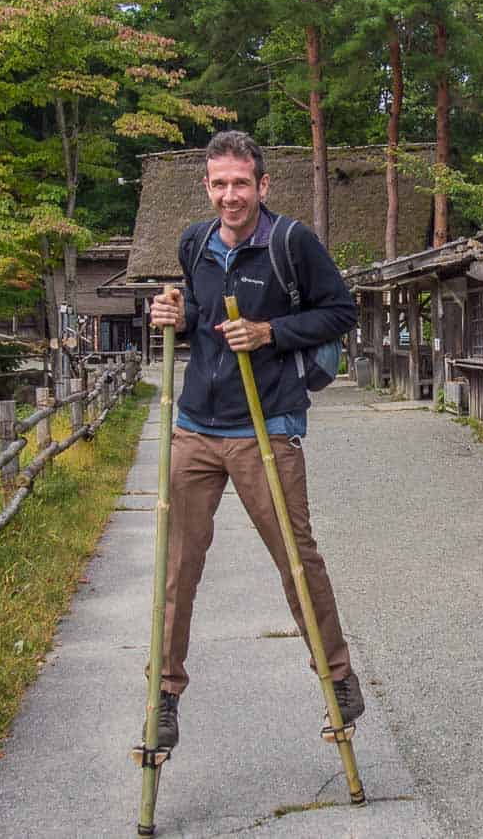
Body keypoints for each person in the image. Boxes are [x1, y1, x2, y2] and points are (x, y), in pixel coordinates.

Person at [147, 130, 361, 749]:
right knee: (177, 566)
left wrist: (271, 332)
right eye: (220, 184)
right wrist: (176, 316)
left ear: (262, 186)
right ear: (207, 186)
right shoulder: (195, 242)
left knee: (296, 558)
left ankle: (339, 678)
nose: (230, 195)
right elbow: (200, 319)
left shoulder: (293, 243)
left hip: (266, 425)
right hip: (195, 425)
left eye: (241, 183)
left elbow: (340, 311)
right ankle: (163, 692)